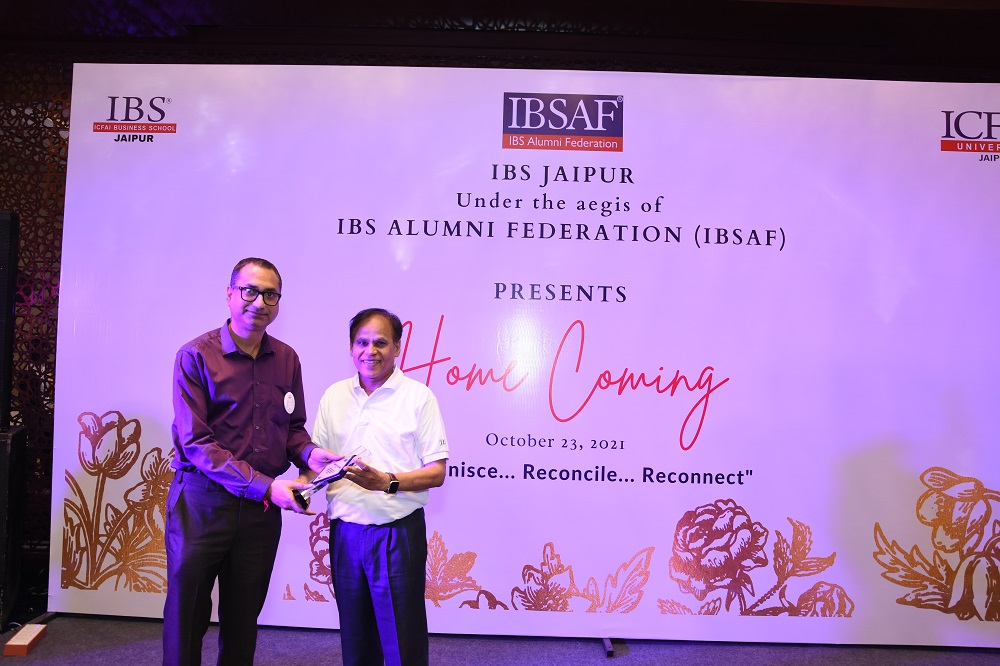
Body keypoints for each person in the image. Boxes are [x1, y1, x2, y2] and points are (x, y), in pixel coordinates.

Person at [164, 257, 339, 666]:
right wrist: (267, 486)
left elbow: (292, 428)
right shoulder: (195, 356)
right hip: (202, 504)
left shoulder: (287, 359)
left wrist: (311, 454)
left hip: (260, 512)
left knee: (244, 619)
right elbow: (197, 443)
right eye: (250, 291)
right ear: (230, 294)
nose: (259, 302)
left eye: (270, 294)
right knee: (187, 616)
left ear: (279, 301)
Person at [311, 308, 449, 666]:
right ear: (350, 347)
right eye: (362, 342)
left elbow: (436, 472)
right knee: (355, 637)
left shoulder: (418, 397)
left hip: (396, 534)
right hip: (345, 532)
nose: (370, 351)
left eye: (380, 343)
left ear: (397, 347)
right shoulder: (334, 396)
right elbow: (316, 461)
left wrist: (386, 482)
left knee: (402, 637)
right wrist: (300, 485)